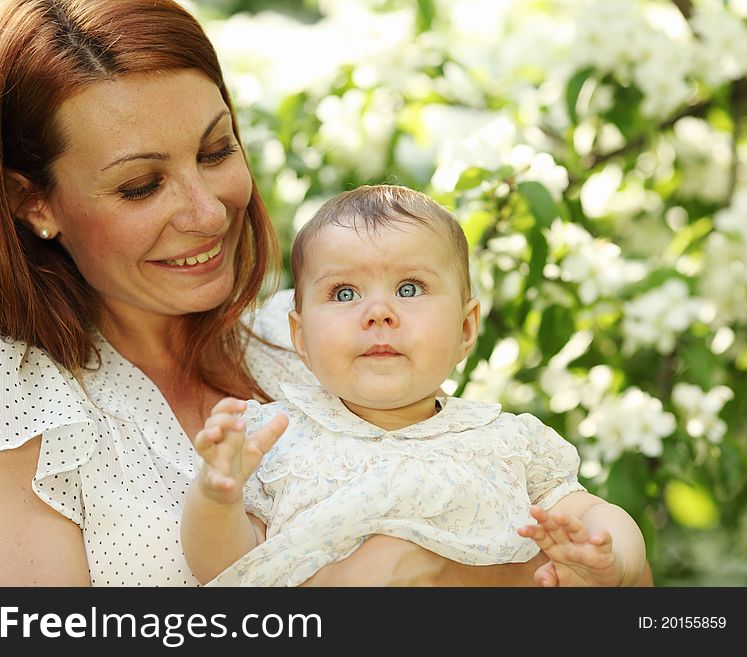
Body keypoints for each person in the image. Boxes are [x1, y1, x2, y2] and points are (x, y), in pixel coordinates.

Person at [0, 0, 615, 587]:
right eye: (140, 184)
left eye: (217, 149)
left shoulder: (311, 340)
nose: (206, 210)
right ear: (32, 202)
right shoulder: (7, 396)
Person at [182, 184, 649, 587]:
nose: (379, 311)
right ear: (300, 337)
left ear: (466, 329)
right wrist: (217, 497)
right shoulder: (277, 440)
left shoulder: (509, 442)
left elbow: (593, 514)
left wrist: (610, 560)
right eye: (344, 293)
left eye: (409, 288)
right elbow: (229, 570)